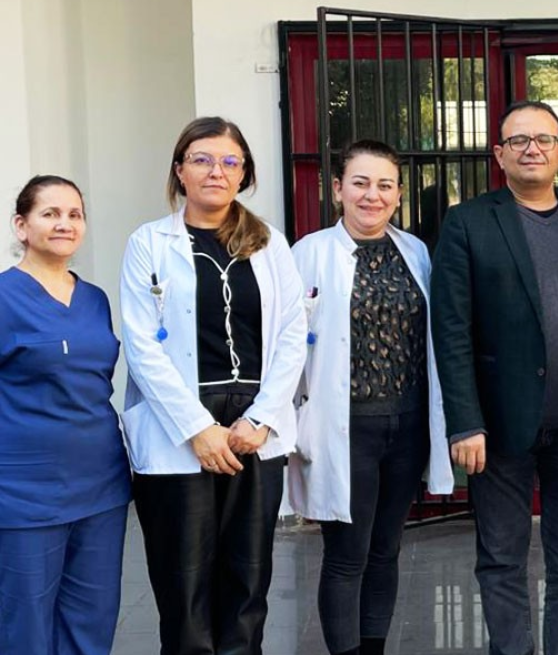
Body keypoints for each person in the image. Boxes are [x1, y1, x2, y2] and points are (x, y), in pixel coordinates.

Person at [432, 100, 558, 655]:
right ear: (499, 154)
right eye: (518, 140)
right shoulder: (469, 221)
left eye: (543, 139)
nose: (531, 149)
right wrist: (465, 422)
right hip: (497, 426)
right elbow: (451, 328)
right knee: (501, 558)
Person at [119, 116, 307, 655]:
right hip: (181, 425)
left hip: (253, 425)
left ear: (244, 173)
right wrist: (197, 429)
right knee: (184, 587)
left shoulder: (269, 243)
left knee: (248, 583)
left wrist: (262, 418)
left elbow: (292, 333)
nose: (215, 171)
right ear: (179, 171)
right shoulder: (148, 242)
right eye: (201, 160)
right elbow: (142, 345)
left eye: (229, 161)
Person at [289, 139, 455, 655]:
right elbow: (287, 346)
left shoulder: (416, 252)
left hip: (406, 427)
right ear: (338, 189)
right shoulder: (309, 254)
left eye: (385, 185)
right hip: (346, 427)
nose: (372, 195)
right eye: (360, 183)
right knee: (347, 555)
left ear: (399, 195)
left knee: (386, 549)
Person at [0, 176, 130, 655]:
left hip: (101, 487)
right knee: (25, 627)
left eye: (74, 215)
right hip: (23, 494)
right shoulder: (4, 298)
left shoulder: (94, 299)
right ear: (21, 225)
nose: (64, 224)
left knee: (92, 620)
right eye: (50, 214)